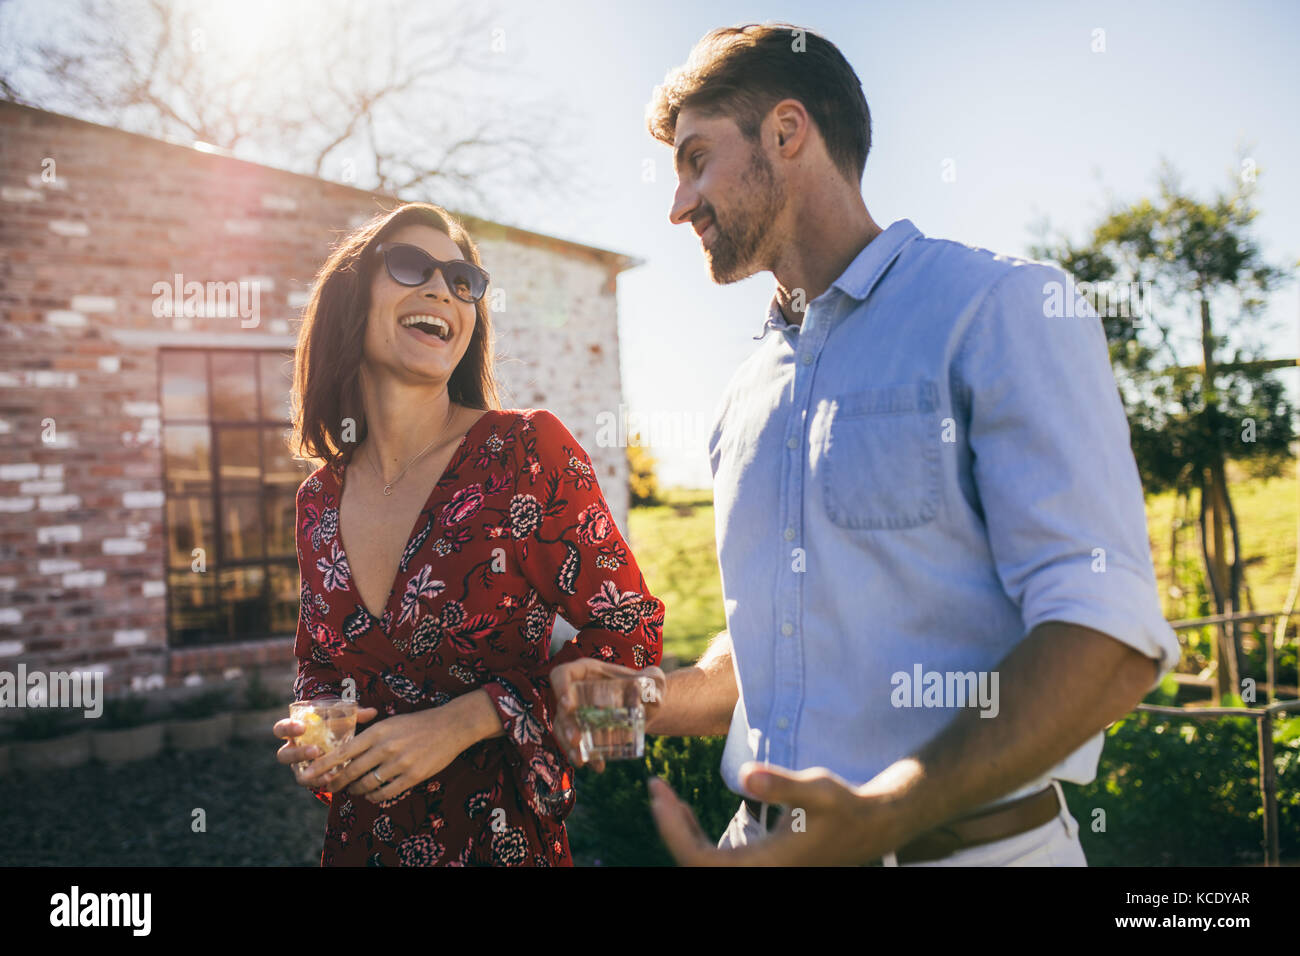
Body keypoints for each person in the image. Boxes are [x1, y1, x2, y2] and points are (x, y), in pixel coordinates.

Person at [552, 23, 1179, 866]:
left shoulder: (1000, 308)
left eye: (697, 159)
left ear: (786, 131)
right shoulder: (743, 393)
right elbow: (765, 652)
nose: (678, 204)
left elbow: (1109, 634)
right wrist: (648, 696)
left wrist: (884, 814)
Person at [272, 201, 664, 866]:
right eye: (409, 267)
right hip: (360, 845)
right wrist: (316, 732)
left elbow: (633, 638)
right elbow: (320, 666)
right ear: (350, 297)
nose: (442, 291)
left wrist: (473, 718)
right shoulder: (318, 499)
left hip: (500, 844)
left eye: (463, 282)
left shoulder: (525, 452)